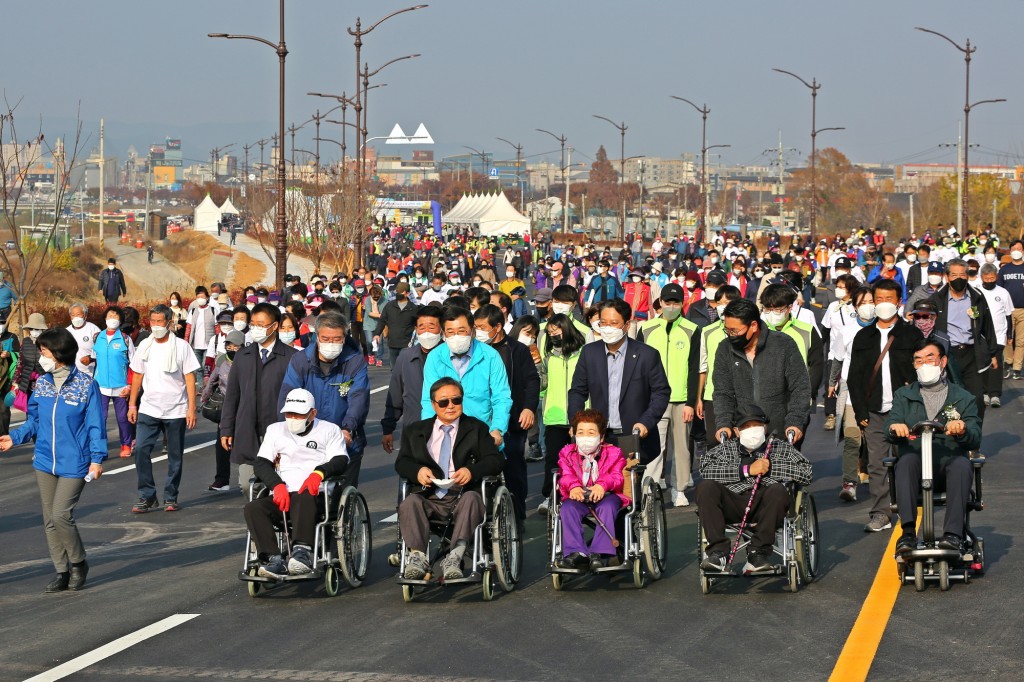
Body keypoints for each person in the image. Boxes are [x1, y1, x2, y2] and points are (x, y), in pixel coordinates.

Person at [0, 328, 107, 592]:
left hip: (75, 461)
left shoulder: (86, 385)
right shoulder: (43, 384)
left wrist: (97, 458)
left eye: (44, 351)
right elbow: (34, 421)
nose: (41, 356)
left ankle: (79, 562)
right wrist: (15, 437)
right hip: (45, 460)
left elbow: (96, 425)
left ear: (58, 353)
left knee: (61, 515)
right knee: (49, 519)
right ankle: (61, 570)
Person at [397, 377, 504, 581]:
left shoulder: (477, 428)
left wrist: (472, 471)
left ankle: (454, 558)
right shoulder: (415, 431)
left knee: (473, 499)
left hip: (462, 494)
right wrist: (417, 471)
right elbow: (402, 463)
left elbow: (495, 460)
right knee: (410, 502)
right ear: (433, 404)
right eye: (444, 402)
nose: (451, 406)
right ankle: (417, 557)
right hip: (429, 494)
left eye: (456, 400)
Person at [887, 339, 981, 556]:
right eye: (918, 360)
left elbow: (975, 437)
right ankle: (908, 533)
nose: (924, 364)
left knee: (961, 464)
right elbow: (889, 425)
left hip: (948, 463)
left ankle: (953, 535)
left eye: (930, 358)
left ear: (943, 361)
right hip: (918, 464)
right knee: (906, 460)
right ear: (914, 366)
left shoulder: (963, 397)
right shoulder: (904, 395)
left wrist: (962, 429)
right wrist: (895, 427)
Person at [244, 388, 351, 579]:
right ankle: (272, 558)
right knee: (253, 508)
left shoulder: (329, 430)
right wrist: (276, 485)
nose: (292, 418)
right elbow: (260, 464)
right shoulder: (275, 430)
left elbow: (340, 459)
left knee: (305, 496)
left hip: (316, 494)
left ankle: (302, 553)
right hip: (283, 494)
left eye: (298, 414)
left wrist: (319, 473)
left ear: (312, 413)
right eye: (289, 414)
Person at [696, 406, 811, 573]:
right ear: (736, 431)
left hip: (766, 505)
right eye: (746, 427)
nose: (752, 430)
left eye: (756, 425)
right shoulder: (725, 449)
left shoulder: (780, 447)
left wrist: (771, 468)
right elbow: (706, 469)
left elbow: (806, 472)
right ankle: (718, 553)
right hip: (733, 503)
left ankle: (758, 553)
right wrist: (747, 469)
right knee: (706, 487)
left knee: (778, 490)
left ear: (765, 427)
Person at [848, 278, 923, 532]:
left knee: (906, 461)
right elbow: (854, 376)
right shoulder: (863, 336)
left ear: (899, 302)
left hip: (904, 410)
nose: (882, 304)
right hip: (873, 411)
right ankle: (880, 513)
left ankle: (907, 510)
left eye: (888, 299)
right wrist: (860, 411)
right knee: (877, 464)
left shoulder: (911, 334)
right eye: (878, 299)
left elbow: (919, 372)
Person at [568, 299, 671, 465]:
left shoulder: (646, 355)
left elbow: (661, 392)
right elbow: (578, 391)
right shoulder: (590, 353)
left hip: (632, 435)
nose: (607, 328)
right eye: (603, 323)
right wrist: (576, 422)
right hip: (599, 436)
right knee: (597, 487)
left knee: (628, 487)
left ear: (627, 325)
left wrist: (646, 422)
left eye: (614, 323)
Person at [279, 312, 369, 484]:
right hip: (307, 440)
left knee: (340, 496)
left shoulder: (355, 362)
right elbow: (287, 397)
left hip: (344, 440)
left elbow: (359, 398)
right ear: (317, 337)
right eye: (326, 338)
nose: (331, 343)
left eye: (337, 339)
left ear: (344, 337)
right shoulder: (300, 361)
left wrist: (348, 428)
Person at [127, 304, 200, 513]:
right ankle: (146, 495)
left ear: (169, 323)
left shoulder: (181, 346)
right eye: (153, 321)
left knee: (175, 456)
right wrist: (133, 404)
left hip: (176, 410)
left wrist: (191, 408)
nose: (156, 326)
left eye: (160, 322)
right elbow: (137, 376)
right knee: (141, 449)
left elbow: (189, 377)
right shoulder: (144, 345)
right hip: (149, 408)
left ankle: (171, 496)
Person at [220, 303, 298, 492]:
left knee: (282, 485)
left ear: (275, 326)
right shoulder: (242, 356)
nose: (256, 328)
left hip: (281, 431)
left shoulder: (292, 358)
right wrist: (227, 429)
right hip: (248, 430)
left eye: (261, 324)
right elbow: (232, 396)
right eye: (253, 324)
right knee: (248, 485)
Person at [712, 298, 810, 447]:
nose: (731, 335)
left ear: (753, 325)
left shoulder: (783, 344)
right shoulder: (725, 349)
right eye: (728, 330)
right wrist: (723, 423)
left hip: (779, 432)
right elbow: (722, 392)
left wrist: (795, 421)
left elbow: (800, 387)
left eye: (735, 331)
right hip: (742, 431)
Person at [474, 304, 540, 523]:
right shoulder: (474, 350)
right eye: (476, 327)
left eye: (483, 327)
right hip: (482, 421)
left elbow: (532, 380)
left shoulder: (517, 350)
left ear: (498, 326)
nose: (479, 332)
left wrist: (529, 407)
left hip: (512, 421)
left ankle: (517, 518)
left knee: (514, 470)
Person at [640, 282, 699, 507]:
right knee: (655, 445)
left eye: (676, 302)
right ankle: (651, 487)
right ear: (660, 303)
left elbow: (694, 368)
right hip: (654, 397)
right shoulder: (646, 329)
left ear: (682, 303)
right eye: (667, 302)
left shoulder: (692, 329)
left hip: (681, 398)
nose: (671, 306)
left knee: (682, 446)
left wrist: (691, 402)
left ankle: (679, 488)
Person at [420, 306, 512, 449]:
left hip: (482, 435)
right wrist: (427, 432)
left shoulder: (490, 356)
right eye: (450, 332)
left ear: (473, 332)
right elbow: (428, 400)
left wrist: (497, 429)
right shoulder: (434, 357)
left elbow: (501, 397)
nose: (456, 336)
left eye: (461, 331)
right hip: (444, 437)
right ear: (443, 334)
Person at [556, 409, 629, 571]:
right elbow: (565, 475)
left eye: (591, 432)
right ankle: (577, 553)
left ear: (601, 437)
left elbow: (617, 476)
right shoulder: (567, 453)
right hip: (579, 496)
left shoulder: (614, 453)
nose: (585, 437)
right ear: (574, 434)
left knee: (607, 507)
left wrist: (602, 485)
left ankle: (599, 552)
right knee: (567, 508)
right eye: (580, 432)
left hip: (608, 495)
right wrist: (573, 486)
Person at [926, 258, 997, 422]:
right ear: (947, 277)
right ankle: (955, 440)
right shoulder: (937, 300)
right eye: (954, 275)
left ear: (968, 276)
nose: (958, 278)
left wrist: (993, 353)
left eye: (962, 274)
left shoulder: (976, 297)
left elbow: (987, 325)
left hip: (972, 354)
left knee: (977, 399)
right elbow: (927, 327)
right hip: (948, 356)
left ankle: (974, 440)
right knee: (949, 401)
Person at [829, 287, 875, 501]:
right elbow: (837, 359)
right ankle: (849, 483)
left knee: (877, 437)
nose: (868, 305)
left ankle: (881, 478)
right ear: (855, 307)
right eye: (863, 302)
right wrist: (832, 382)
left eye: (871, 301)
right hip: (851, 389)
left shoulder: (885, 329)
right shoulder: (847, 331)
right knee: (852, 436)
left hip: (878, 389)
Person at [381, 305, 444, 455]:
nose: (427, 332)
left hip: (447, 430)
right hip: (413, 431)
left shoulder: (450, 357)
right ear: (416, 329)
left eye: (432, 327)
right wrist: (388, 429)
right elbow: (395, 396)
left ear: (441, 329)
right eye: (422, 327)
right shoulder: (405, 357)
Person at [697, 285, 743, 447]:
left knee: (741, 442)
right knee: (714, 441)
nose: (723, 306)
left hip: (742, 394)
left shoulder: (747, 330)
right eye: (719, 302)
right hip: (713, 395)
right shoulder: (707, 332)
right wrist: (699, 398)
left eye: (728, 301)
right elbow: (702, 367)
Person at [202, 330, 244, 491]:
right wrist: (205, 398)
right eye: (229, 345)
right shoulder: (221, 361)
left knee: (244, 442)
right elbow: (213, 380)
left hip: (244, 406)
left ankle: (247, 478)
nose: (232, 348)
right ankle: (222, 480)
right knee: (222, 443)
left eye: (236, 346)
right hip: (226, 407)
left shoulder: (248, 361)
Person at [93, 306, 135, 458]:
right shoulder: (98, 337)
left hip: (121, 386)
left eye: (116, 317)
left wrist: (130, 385)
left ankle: (126, 444)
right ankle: (100, 449)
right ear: (105, 318)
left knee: (123, 418)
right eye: (110, 315)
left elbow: (133, 364)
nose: (112, 319)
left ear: (120, 320)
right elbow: (94, 359)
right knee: (99, 419)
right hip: (100, 385)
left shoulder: (125, 339)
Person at [977, 263, 1012, 408]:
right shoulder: (976, 292)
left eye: (992, 278)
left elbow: (1009, 315)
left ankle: (995, 394)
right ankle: (984, 393)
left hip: (999, 335)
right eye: (987, 278)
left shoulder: (1003, 292)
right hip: (982, 336)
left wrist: (1009, 335)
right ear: (982, 277)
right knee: (984, 364)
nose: (990, 281)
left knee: (996, 365)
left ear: (996, 277)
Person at [997, 240, 1024, 380]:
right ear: (1010, 251)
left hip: (1023, 311)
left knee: (1021, 341)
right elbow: (998, 289)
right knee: (1008, 338)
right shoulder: (1004, 270)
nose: (1017, 251)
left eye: (1019, 248)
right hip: (1008, 310)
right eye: (1014, 248)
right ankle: (1008, 363)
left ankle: (1017, 368)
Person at [375, 282, 419, 367]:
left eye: (401, 292)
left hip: (407, 344)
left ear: (407, 293)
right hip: (392, 343)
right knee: (394, 369)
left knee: (406, 368)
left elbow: (417, 325)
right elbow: (382, 321)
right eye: (397, 292)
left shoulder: (413, 308)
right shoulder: (389, 306)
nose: (398, 294)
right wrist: (377, 333)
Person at [66, 302, 100, 375]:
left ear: (85, 315)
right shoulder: (66, 332)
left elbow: (102, 351)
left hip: (90, 373)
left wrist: (90, 359)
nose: (76, 317)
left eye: (78, 314)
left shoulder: (94, 330)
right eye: (73, 315)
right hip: (70, 374)